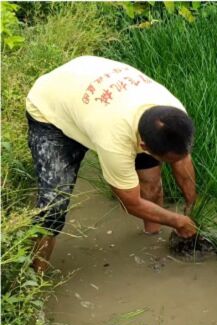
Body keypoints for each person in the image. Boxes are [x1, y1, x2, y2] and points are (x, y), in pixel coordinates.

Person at [25, 55, 198, 272]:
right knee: (53, 206)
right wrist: (178, 222)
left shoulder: (173, 115)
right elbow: (130, 202)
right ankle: (34, 277)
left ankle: (151, 239)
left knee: (152, 184)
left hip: (90, 89)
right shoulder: (114, 139)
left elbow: (182, 158)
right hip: (51, 111)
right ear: (143, 145)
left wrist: (192, 206)